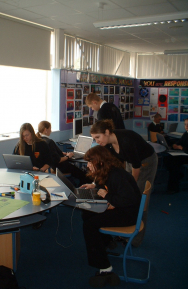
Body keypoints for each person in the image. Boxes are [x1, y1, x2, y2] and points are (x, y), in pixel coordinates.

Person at [90, 119, 158, 247]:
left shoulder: (126, 141)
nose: (97, 141)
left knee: (139, 199)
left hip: (146, 161)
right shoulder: (108, 144)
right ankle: (124, 228)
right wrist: (95, 183)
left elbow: (136, 168)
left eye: (98, 137)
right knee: (124, 194)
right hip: (132, 162)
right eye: (94, 138)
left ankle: (135, 239)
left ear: (107, 132)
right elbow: (106, 167)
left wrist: (130, 187)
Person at [81, 146, 141, 287]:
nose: (88, 165)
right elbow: (104, 185)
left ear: (100, 161)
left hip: (128, 214)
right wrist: (94, 186)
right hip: (122, 208)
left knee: (89, 225)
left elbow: (130, 200)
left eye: (90, 162)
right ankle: (106, 241)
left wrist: (108, 197)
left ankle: (105, 267)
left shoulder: (117, 175)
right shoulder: (109, 170)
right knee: (87, 214)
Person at [36, 121, 91, 186]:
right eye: (50, 128)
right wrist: (68, 156)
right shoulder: (49, 142)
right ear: (46, 130)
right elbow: (57, 160)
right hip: (60, 167)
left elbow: (50, 153)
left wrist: (61, 153)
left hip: (51, 167)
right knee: (81, 174)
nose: (51, 131)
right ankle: (82, 186)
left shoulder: (39, 140)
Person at [164, 118, 188, 194]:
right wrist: (175, 144)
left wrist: (182, 148)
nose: (186, 126)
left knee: (174, 163)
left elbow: (184, 147)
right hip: (184, 154)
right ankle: (178, 175)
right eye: (185, 124)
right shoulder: (186, 133)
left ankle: (173, 188)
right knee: (167, 158)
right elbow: (179, 142)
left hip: (186, 154)